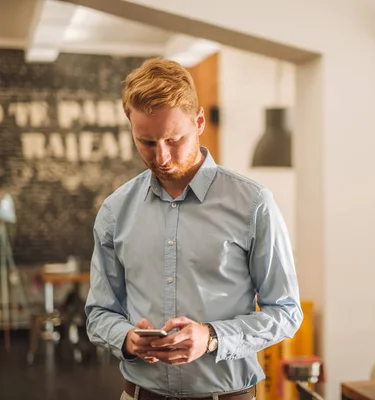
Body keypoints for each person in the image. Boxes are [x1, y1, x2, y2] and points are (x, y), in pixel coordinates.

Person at [85, 58, 303, 400]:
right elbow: (99, 312)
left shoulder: (253, 203)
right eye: (147, 142)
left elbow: (286, 311)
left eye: (174, 139)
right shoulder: (115, 211)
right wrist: (126, 338)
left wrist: (212, 337)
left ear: (199, 121)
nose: (162, 157)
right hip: (141, 393)